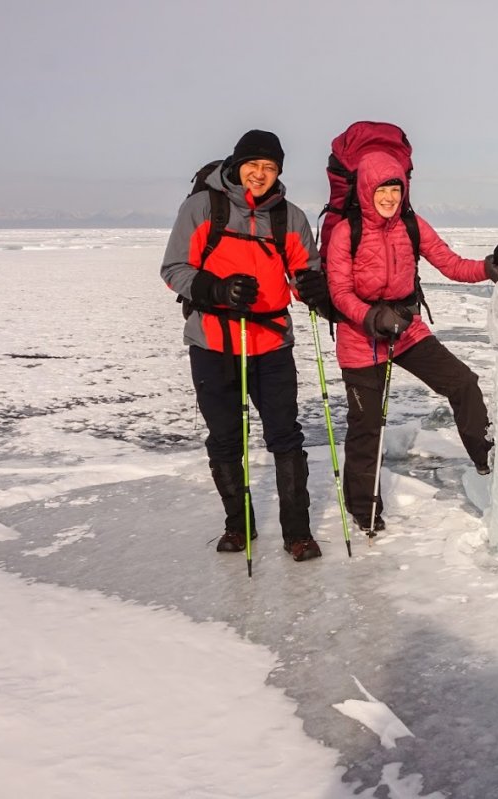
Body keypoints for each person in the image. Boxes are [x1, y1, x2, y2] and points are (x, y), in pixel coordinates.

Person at [326, 150, 498, 535]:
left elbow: (449, 263)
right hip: (361, 336)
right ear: (367, 190)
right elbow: (339, 291)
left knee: (462, 382)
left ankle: (487, 464)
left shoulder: (411, 226)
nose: (389, 198)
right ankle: (364, 511)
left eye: (395, 190)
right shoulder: (347, 232)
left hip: (405, 329)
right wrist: (371, 317)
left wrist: (490, 267)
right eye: (382, 190)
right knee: (367, 427)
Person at [160, 129, 334, 561]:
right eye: (254, 165)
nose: (260, 174)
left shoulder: (289, 216)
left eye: (270, 168)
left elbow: (303, 272)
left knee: (285, 437)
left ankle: (297, 533)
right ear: (237, 165)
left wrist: (312, 287)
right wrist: (218, 290)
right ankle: (238, 527)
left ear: (278, 173)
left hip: (272, 345)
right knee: (225, 440)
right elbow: (173, 268)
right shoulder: (203, 207)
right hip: (214, 342)